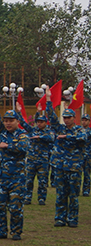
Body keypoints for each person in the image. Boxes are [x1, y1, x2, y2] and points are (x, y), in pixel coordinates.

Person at [0, 90, 29, 240]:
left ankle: (16, 232)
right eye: (6, 120)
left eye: (11, 120)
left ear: (17, 121)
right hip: (2, 177)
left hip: (17, 178)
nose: (8, 123)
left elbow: (23, 148)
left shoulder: (22, 135)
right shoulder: (2, 132)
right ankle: (1, 230)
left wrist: (8, 146)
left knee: (15, 207)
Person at [45, 89, 86, 227]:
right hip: (60, 166)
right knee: (61, 194)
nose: (66, 120)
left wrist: (67, 137)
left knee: (73, 195)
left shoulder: (79, 130)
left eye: (68, 117)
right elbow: (51, 117)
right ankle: (60, 218)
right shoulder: (60, 128)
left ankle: (72, 218)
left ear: (74, 118)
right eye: (65, 117)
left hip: (74, 167)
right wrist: (49, 100)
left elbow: (83, 138)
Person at [20, 112, 54, 206]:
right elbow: (23, 124)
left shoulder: (48, 131)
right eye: (38, 122)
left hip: (43, 161)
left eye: (41, 122)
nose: (39, 124)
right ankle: (27, 197)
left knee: (42, 181)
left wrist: (40, 137)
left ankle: (41, 198)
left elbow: (51, 138)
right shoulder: (32, 130)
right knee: (28, 180)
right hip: (31, 160)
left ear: (45, 123)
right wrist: (19, 112)